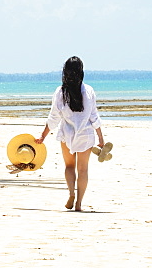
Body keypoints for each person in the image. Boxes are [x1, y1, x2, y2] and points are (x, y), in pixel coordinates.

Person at [35, 56, 106, 212]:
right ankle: (79, 203)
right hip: (85, 135)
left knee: (69, 166)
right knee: (83, 169)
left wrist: (43, 136)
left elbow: (53, 117)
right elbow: (94, 116)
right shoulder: (88, 91)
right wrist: (101, 137)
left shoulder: (60, 92)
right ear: (81, 72)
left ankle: (71, 194)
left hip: (67, 134)